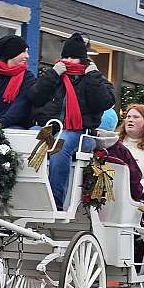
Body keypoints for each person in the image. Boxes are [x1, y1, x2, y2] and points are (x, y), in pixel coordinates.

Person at [28, 33, 116, 209]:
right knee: (28, 139)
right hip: (52, 129)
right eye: (65, 57)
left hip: (82, 133)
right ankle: (28, 195)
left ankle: (54, 201)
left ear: (83, 60)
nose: (68, 61)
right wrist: (53, 74)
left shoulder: (94, 79)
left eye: (73, 58)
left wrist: (92, 77)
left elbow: (104, 102)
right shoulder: (54, 77)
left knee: (60, 146)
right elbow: (34, 96)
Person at [99, 109, 143, 201]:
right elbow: (135, 176)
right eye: (128, 117)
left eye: (135, 117)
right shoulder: (120, 149)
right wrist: (137, 196)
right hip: (119, 200)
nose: (130, 120)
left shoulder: (82, 144)